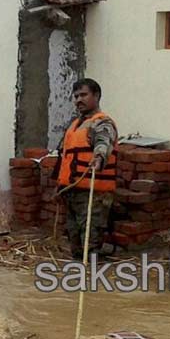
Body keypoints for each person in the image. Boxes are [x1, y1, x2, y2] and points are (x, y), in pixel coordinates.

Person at [55, 79, 118, 261]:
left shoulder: (102, 123)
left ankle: (91, 282)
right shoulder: (76, 125)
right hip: (73, 190)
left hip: (93, 192)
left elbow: (103, 143)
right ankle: (77, 280)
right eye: (76, 96)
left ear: (96, 96)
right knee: (74, 240)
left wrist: (99, 158)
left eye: (83, 95)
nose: (78, 100)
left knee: (90, 243)